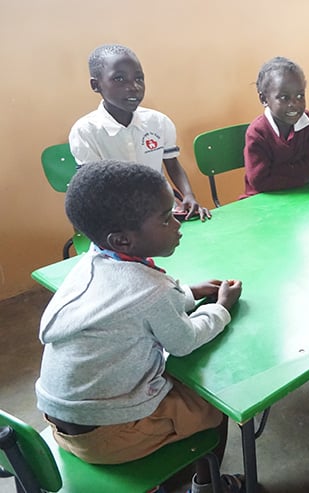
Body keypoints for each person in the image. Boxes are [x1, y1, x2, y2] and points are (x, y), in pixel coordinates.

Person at [35, 161, 244, 493]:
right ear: (123, 239)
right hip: (108, 436)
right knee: (214, 406)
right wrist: (221, 307)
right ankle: (205, 486)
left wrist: (188, 293)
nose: (177, 222)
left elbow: (129, 306)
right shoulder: (150, 292)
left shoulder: (94, 259)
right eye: (165, 218)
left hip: (61, 424)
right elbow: (185, 340)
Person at [69, 44, 211, 221]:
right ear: (96, 85)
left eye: (139, 78)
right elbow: (95, 187)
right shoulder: (85, 131)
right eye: (119, 78)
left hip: (162, 208)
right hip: (116, 216)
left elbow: (172, 164)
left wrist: (188, 195)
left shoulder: (158, 122)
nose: (133, 86)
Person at [241, 56, 309, 198]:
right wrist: (301, 176)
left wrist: (277, 172)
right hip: (262, 200)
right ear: (264, 99)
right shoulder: (257, 133)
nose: (294, 103)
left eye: (300, 95)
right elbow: (260, 181)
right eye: (284, 97)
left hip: (301, 195)